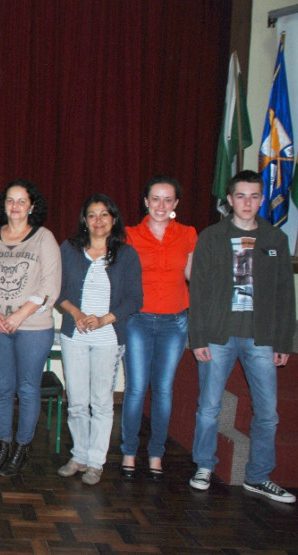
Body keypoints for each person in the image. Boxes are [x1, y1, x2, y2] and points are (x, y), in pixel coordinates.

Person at [188, 170, 296, 503]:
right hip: (218, 335)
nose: (246, 202)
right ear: (230, 200)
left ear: (261, 199)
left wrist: (284, 342)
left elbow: (284, 294)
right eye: (240, 196)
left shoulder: (275, 240)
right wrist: (198, 338)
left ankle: (258, 476)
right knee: (209, 407)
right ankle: (204, 466)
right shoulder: (211, 237)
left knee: (267, 412)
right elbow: (200, 292)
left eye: (253, 196)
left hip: (261, 337)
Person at [56, 193, 142, 485]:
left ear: (114, 219)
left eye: (104, 214)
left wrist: (104, 319)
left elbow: (134, 300)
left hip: (108, 337)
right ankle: (79, 456)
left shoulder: (127, 254)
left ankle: (96, 462)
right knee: (77, 401)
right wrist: (77, 314)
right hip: (74, 335)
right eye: (92, 215)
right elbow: (57, 291)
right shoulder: (68, 249)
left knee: (102, 402)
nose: (98, 220)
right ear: (84, 220)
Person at [120, 176, 196, 481]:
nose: (161, 205)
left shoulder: (189, 234)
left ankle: (156, 453)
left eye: (168, 200)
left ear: (176, 204)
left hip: (175, 322)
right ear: (146, 201)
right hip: (138, 319)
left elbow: (193, 276)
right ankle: (128, 450)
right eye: (155, 198)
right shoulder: (128, 235)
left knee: (163, 390)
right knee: (136, 389)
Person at [0, 180, 60, 476]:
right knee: (2, 389)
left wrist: (18, 316)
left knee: (27, 389)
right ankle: (3, 446)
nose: (15, 206)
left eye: (21, 201)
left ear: (31, 206)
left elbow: (49, 286)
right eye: (10, 201)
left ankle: (21, 448)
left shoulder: (44, 238)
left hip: (33, 327)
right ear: (3, 205)